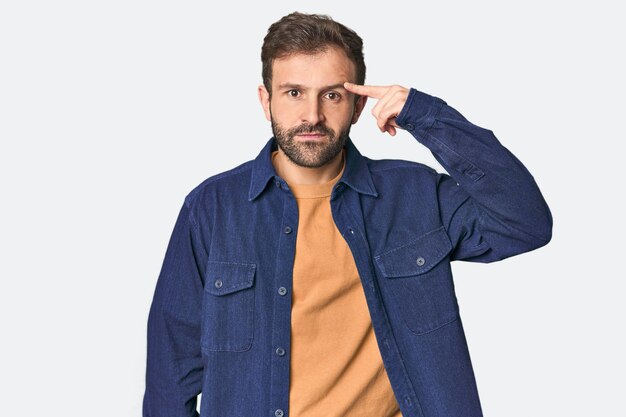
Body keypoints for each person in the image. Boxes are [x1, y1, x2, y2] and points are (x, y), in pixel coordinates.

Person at [142, 11, 552, 417]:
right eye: (294, 93)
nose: (313, 116)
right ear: (266, 101)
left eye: (332, 95)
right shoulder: (212, 209)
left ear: (357, 106)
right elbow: (170, 370)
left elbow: (525, 223)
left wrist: (428, 117)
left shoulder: (414, 196)